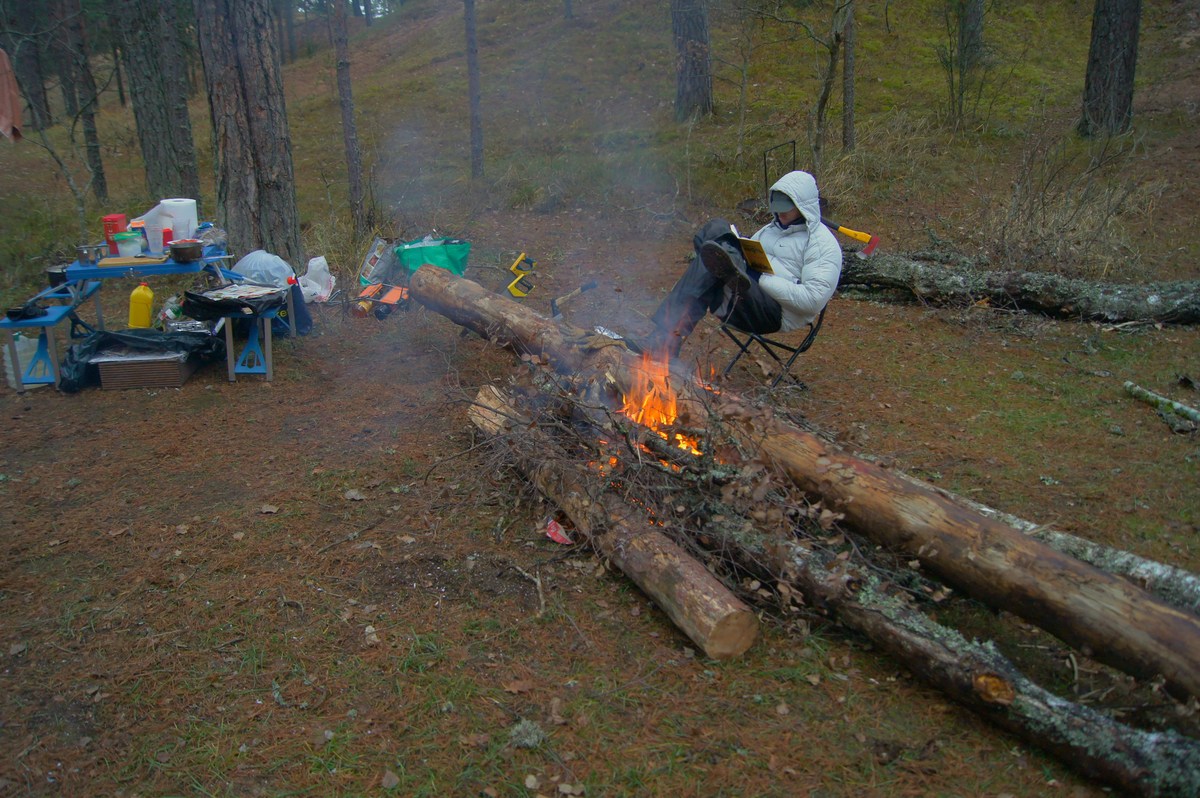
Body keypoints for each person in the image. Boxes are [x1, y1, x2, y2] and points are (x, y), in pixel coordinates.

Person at [644, 170, 842, 358]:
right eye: (777, 206)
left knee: (711, 264)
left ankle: (664, 341)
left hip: (774, 312)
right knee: (717, 228)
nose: (780, 213)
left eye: (786, 208)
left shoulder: (822, 245)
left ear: (802, 206)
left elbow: (812, 300)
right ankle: (727, 269)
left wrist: (760, 278)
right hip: (742, 294)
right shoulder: (769, 230)